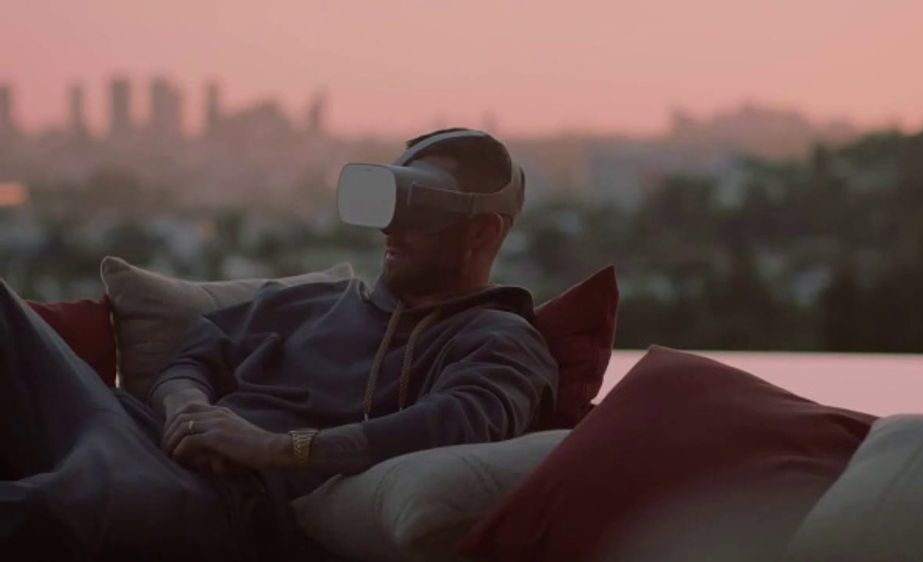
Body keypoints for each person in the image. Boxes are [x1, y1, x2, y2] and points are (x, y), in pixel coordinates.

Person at [0, 128, 559, 560]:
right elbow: (197, 350)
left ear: (483, 232)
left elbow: (458, 422)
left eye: (421, 209)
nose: (391, 229)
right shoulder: (316, 301)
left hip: (228, 500)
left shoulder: (500, 339)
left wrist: (273, 447)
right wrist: (186, 404)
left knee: (49, 509)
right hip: (135, 429)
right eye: (389, 204)